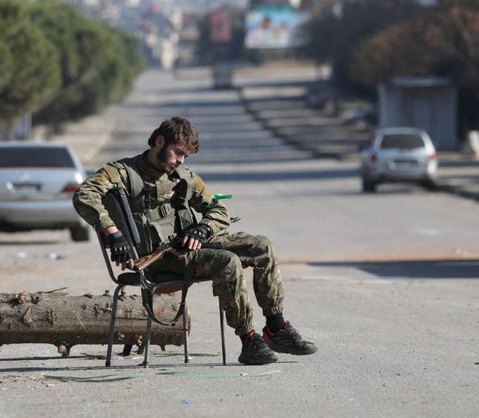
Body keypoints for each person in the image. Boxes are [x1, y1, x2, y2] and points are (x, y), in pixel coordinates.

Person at [72, 116, 317, 365]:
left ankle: (276, 328)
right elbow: (84, 193)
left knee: (261, 246)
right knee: (227, 261)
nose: (181, 160)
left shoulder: (183, 176)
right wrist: (114, 234)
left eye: (186, 156)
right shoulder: (122, 172)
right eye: (178, 152)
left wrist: (202, 228)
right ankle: (249, 340)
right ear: (159, 142)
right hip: (157, 259)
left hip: (187, 248)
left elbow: (218, 210)